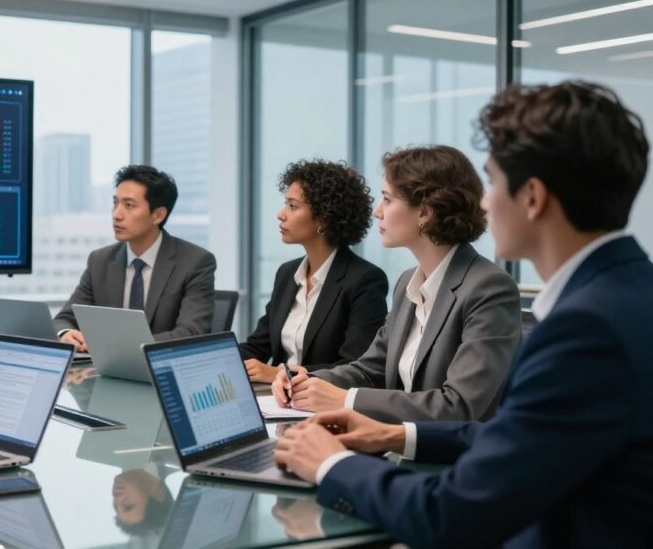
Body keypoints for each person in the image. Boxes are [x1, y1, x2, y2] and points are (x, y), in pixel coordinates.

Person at [273, 81, 653, 548]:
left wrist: (332, 464)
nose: (484, 202)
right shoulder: (625, 296)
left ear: (533, 197)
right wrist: (392, 435)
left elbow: (453, 514)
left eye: (493, 182)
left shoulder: (586, 329)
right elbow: (516, 437)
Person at [272, 145, 521, 422]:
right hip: (395, 439)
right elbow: (370, 369)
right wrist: (307, 380)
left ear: (424, 213)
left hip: (451, 448)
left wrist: (346, 400)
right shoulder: (407, 284)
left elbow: (458, 406)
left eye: (387, 200)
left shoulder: (489, 288)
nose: (378, 212)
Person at [241, 159, 388, 383]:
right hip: (276, 397)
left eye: (292, 206)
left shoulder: (364, 280)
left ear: (324, 217)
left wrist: (281, 374)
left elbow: (356, 366)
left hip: (322, 398)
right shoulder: (287, 273)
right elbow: (257, 347)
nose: (281, 214)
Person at [54, 165, 216, 352]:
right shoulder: (100, 261)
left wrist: (119, 346)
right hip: (107, 366)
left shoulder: (195, 262)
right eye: (115, 203)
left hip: (161, 365)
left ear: (158, 215)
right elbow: (64, 319)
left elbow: (191, 333)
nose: (116, 214)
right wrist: (66, 333)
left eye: (129, 205)